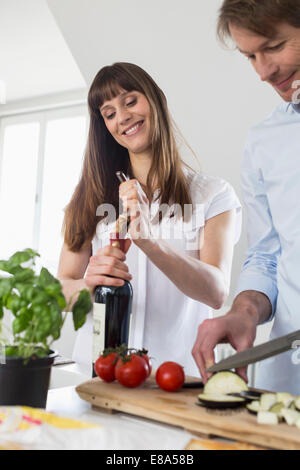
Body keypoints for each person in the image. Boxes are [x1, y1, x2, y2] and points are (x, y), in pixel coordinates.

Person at [58, 62, 241, 376]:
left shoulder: (213, 195)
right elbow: (61, 290)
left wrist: (150, 241)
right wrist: (91, 283)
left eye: (130, 101)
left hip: (173, 378)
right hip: (97, 375)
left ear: (155, 101)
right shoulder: (90, 197)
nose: (123, 117)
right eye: (110, 113)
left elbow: (216, 291)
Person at [192, 0, 300, 393]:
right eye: (250, 56)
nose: (264, 72)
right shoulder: (263, 141)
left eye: (273, 46)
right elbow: (267, 256)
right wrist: (245, 311)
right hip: (289, 376)